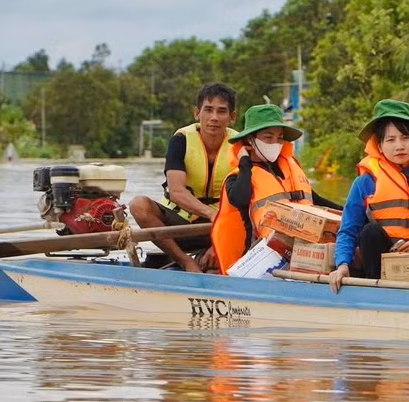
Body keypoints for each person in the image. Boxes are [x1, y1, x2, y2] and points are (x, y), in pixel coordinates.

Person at [328, 100, 409, 293]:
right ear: (379, 145)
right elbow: (348, 229)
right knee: (369, 232)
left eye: (405, 138)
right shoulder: (365, 182)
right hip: (386, 262)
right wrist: (342, 265)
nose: (399, 146)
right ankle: (375, 291)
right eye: (390, 140)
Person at [211, 104, 342, 273]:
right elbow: (239, 198)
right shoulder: (239, 176)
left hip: (301, 251)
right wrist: (244, 161)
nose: (276, 143)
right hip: (260, 257)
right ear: (250, 139)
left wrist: (351, 212)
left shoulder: (289, 168)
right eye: (268, 137)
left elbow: (313, 198)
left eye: (280, 138)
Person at [128, 83, 238, 272]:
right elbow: (177, 192)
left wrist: (218, 243)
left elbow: (245, 200)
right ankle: (184, 261)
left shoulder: (240, 146)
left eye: (221, 112)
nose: (214, 118)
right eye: (208, 110)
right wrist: (212, 214)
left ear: (232, 117)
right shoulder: (181, 140)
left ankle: (213, 255)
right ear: (197, 113)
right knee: (138, 205)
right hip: (180, 222)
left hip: (222, 227)